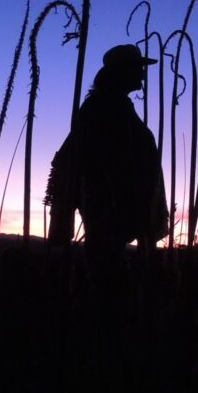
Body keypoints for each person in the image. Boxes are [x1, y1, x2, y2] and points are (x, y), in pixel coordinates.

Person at [47, 44, 168, 286]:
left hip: (116, 205)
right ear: (123, 72)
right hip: (107, 205)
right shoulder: (103, 107)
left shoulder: (115, 105)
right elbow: (96, 158)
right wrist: (112, 196)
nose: (142, 74)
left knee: (109, 264)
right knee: (105, 268)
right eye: (138, 68)